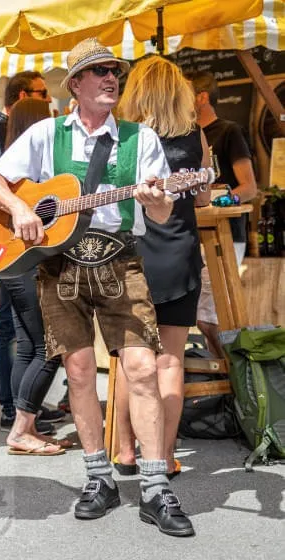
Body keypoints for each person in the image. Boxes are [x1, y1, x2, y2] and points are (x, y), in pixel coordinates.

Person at [0, 38, 194, 537]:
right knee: (78, 372)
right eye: (97, 72)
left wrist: (155, 199)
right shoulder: (45, 134)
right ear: (75, 85)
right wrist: (20, 208)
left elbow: (161, 211)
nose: (110, 78)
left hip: (121, 262)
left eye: (113, 71)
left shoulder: (141, 139)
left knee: (141, 368)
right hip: (60, 267)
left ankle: (156, 485)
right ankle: (99, 477)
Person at [115, 56, 213, 478]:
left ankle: (124, 451)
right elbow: (205, 198)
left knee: (129, 358)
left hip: (130, 253)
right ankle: (165, 454)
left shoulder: (121, 136)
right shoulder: (196, 136)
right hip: (178, 254)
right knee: (170, 361)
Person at [0, 71, 62, 434]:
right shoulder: (17, 154)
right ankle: (19, 417)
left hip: (6, 254)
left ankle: (23, 413)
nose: (50, 101)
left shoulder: (1, 140)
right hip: (19, 255)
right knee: (41, 344)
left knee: (25, 340)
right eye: (42, 95)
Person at [0, 97, 70, 456]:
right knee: (50, 346)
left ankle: (21, 419)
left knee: (27, 344)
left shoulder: (10, 158)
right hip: (24, 262)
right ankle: (22, 429)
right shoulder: (35, 163)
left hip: (8, 262)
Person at [185, 70, 258, 359]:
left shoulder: (229, 131)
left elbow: (250, 186)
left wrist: (226, 199)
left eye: (184, 92)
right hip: (192, 234)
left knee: (208, 317)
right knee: (202, 317)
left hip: (225, 236)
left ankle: (236, 378)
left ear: (202, 97)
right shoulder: (185, 136)